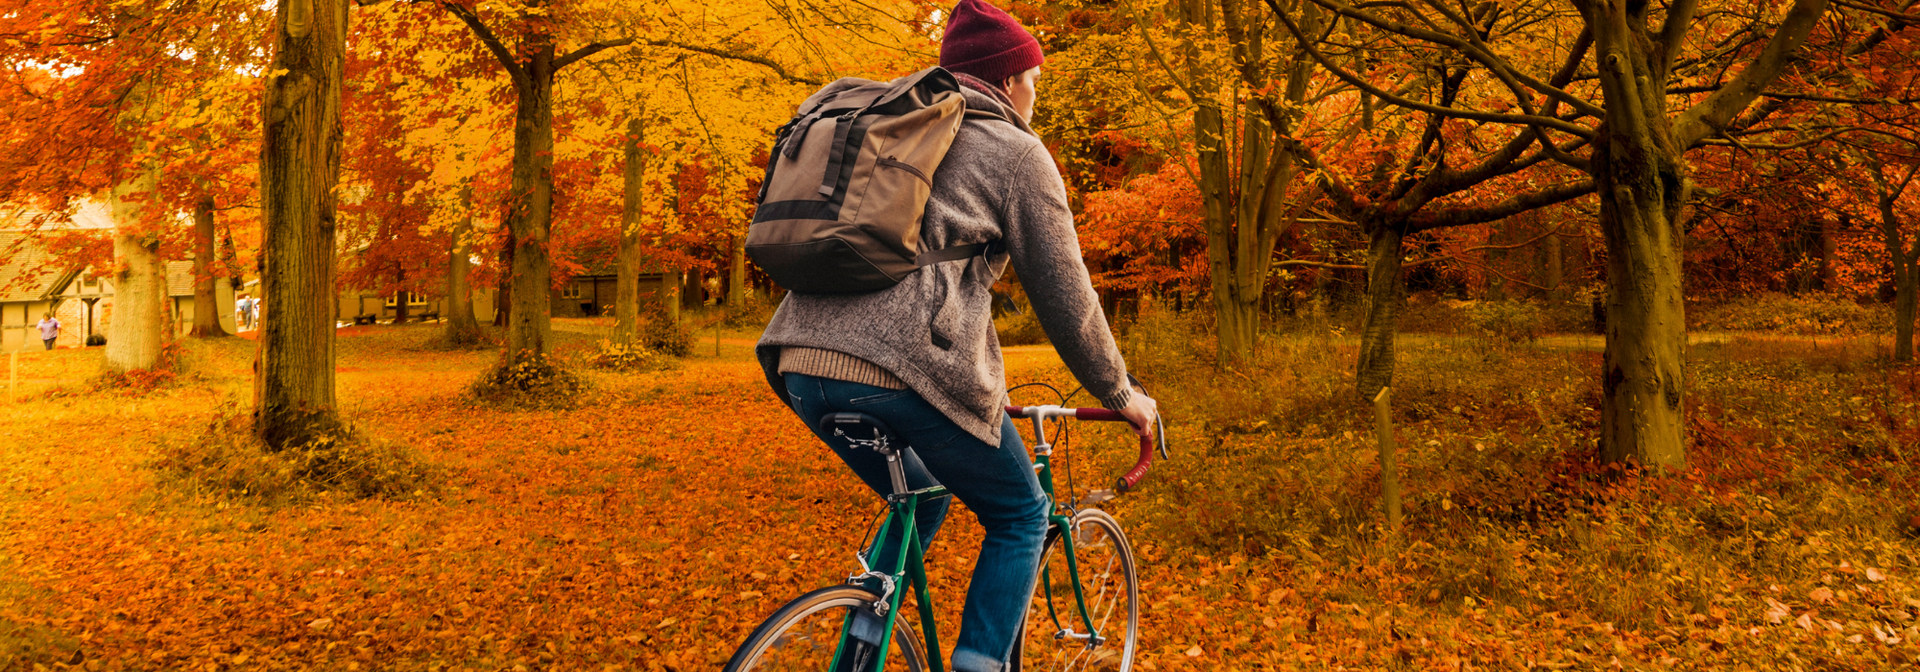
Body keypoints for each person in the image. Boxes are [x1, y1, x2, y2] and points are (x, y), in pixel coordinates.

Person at [754, 1, 1156, 669]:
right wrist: (1121, 392)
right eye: (1033, 78)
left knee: (923, 491)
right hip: (902, 369)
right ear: (1004, 81)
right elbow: (1067, 297)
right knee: (1021, 515)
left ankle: (862, 645)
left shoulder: (891, 127)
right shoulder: (1013, 150)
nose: (1037, 94)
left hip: (800, 364)